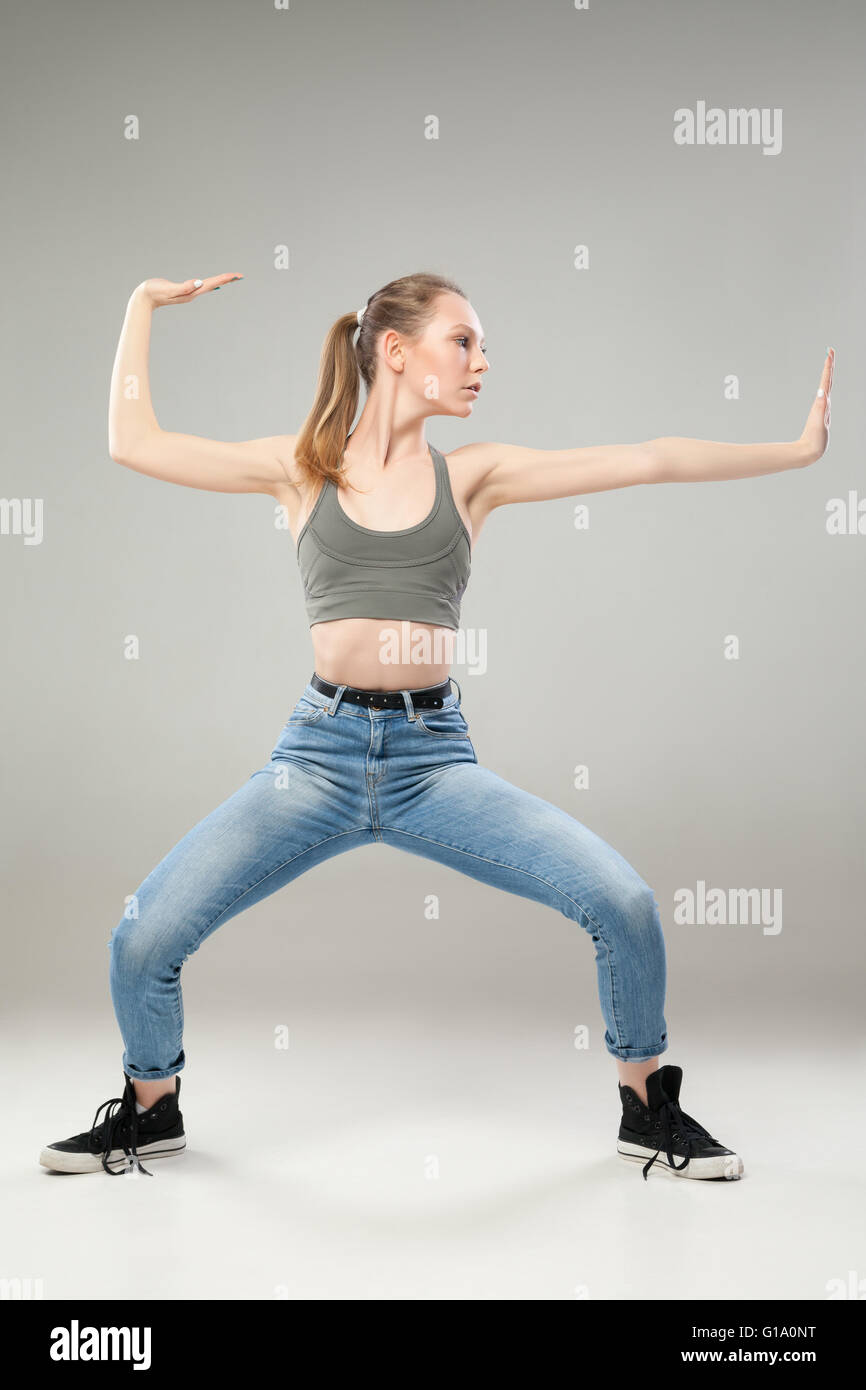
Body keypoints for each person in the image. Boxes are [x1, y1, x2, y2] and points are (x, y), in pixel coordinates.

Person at [39, 271, 834, 1180]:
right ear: (395, 349)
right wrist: (142, 304)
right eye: (464, 341)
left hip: (432, 763)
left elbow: (649, 456)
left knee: (625, 904)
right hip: (319, 757)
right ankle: (153, 1108)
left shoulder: (477, 475)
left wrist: (795, 450)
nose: (482, 363)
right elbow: (131, 440)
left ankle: (646, 1108)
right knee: (143, 936)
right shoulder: (305, 464)